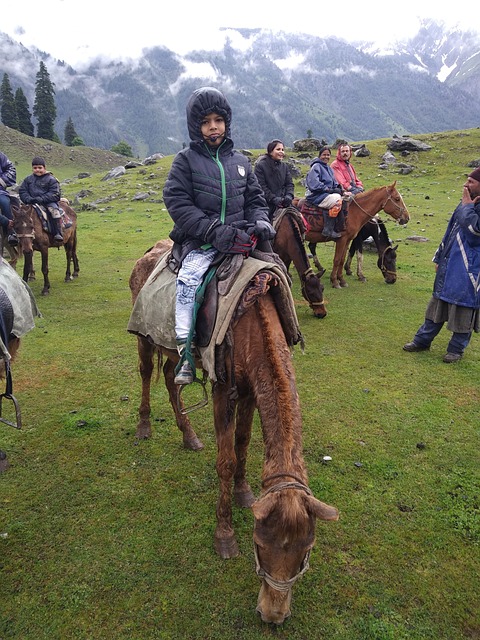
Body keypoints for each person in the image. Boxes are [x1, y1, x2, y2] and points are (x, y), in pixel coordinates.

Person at [163, 86, 275, 385]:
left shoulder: (241, 162)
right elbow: (178, 202)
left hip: (241, 240)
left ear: (227, 122)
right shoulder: (185, 161)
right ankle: (185, 352)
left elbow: (255, 200)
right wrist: (212, 230)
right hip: (201, 242)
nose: (213, 127)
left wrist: (262, 220)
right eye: (206, 122)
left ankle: (287, 333)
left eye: (219, 120)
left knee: (277, 273)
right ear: (196, 127)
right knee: (189, 282)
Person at [403, 167, 480, 363]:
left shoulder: (467, 206)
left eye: (471, 182)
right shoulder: (466, 204)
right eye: (466, 180)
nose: (466, 185)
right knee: (437, 305)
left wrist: (467, 207)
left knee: (464, 309)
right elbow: (450, 231)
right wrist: (439, 257)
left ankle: (456, 350)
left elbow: (474, 233)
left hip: (471, 269)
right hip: (449, 264)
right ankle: (422, 341)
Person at [305, 146, 352, 239]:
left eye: (328, 155)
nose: (326, 157)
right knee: (337, 200)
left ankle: (339, 225)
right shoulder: (316, 167)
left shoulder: (329, 169)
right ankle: (328, 229)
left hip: (326, 194)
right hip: (316, 195)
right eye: (324, 155)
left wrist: (342, 191)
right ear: (319, 156)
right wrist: (328, 190)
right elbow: (314, 184)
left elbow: (335, 183)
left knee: (347, 199)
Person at [19, 157, 63, 241]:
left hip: (48, 202)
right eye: (35, 168)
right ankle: (16, 235)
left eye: (40, 167)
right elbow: (22, 191)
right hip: (31, 202)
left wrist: (42, 199)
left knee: (55, 211)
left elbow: (55, 194)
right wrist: (28, 199)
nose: (37, 170)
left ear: (44, 168)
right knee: (19, 214)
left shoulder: (52, 179)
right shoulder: (28, 180)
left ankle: (58, 233)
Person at [254, 139, 294, 220]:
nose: (281, 152)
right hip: (266, 204)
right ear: (270, 151)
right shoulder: (261, 166)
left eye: (282, 150)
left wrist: (289, 195)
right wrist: (273, 198)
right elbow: (261, 186)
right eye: (278, 149)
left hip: (284, 202)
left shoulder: (284, 166)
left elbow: (289, 183)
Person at [0, 151, 19, 246]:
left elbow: (11, 169)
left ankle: (11, 232)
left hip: (0, 191)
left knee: (4, 202)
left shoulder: (1, 156)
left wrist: (1, 180)